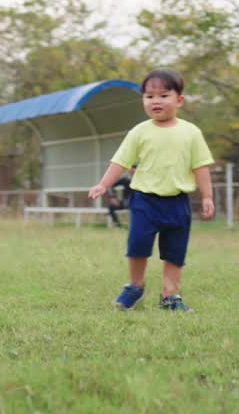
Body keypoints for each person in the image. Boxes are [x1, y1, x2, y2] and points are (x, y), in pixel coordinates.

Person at [88, 68, 214, 312]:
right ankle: (135, 287)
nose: (156, 100)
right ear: (143, 100)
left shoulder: (191, 133)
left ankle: (170, 297)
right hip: (144, 200)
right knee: (137, 245)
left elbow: (201, 167)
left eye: (163, 95)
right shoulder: (139, 132)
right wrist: (104, 184)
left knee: (175, 253)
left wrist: (207, 196)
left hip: (178, 203)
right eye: (149, 96)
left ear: (179, 100)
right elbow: (120, 162)